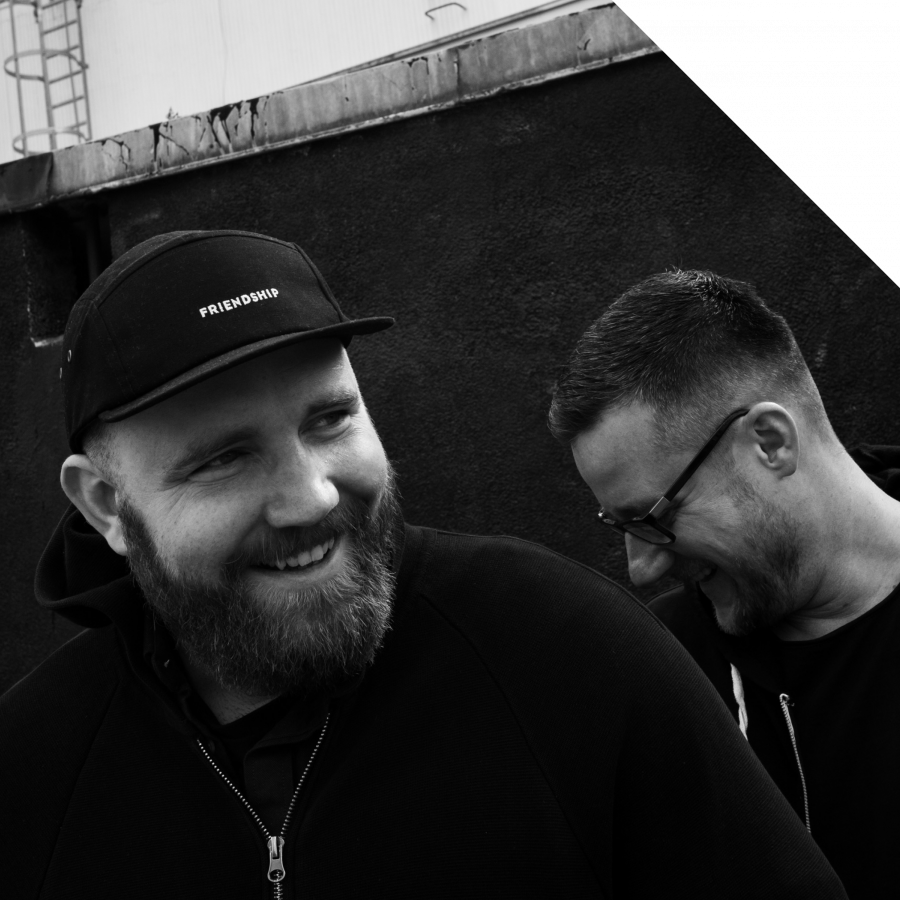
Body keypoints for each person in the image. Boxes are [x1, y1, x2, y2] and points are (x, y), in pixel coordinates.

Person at [1, 234, 845, 900]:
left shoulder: (570, 656)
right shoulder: (34, 771)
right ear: (105, 505)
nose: (311, 497)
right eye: (225, 458)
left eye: (331, 419)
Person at [549, 268, 900, 900]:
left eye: (653, 518)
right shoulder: (660, 663)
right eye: (618, 524)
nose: (641, 568)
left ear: (770, 442)